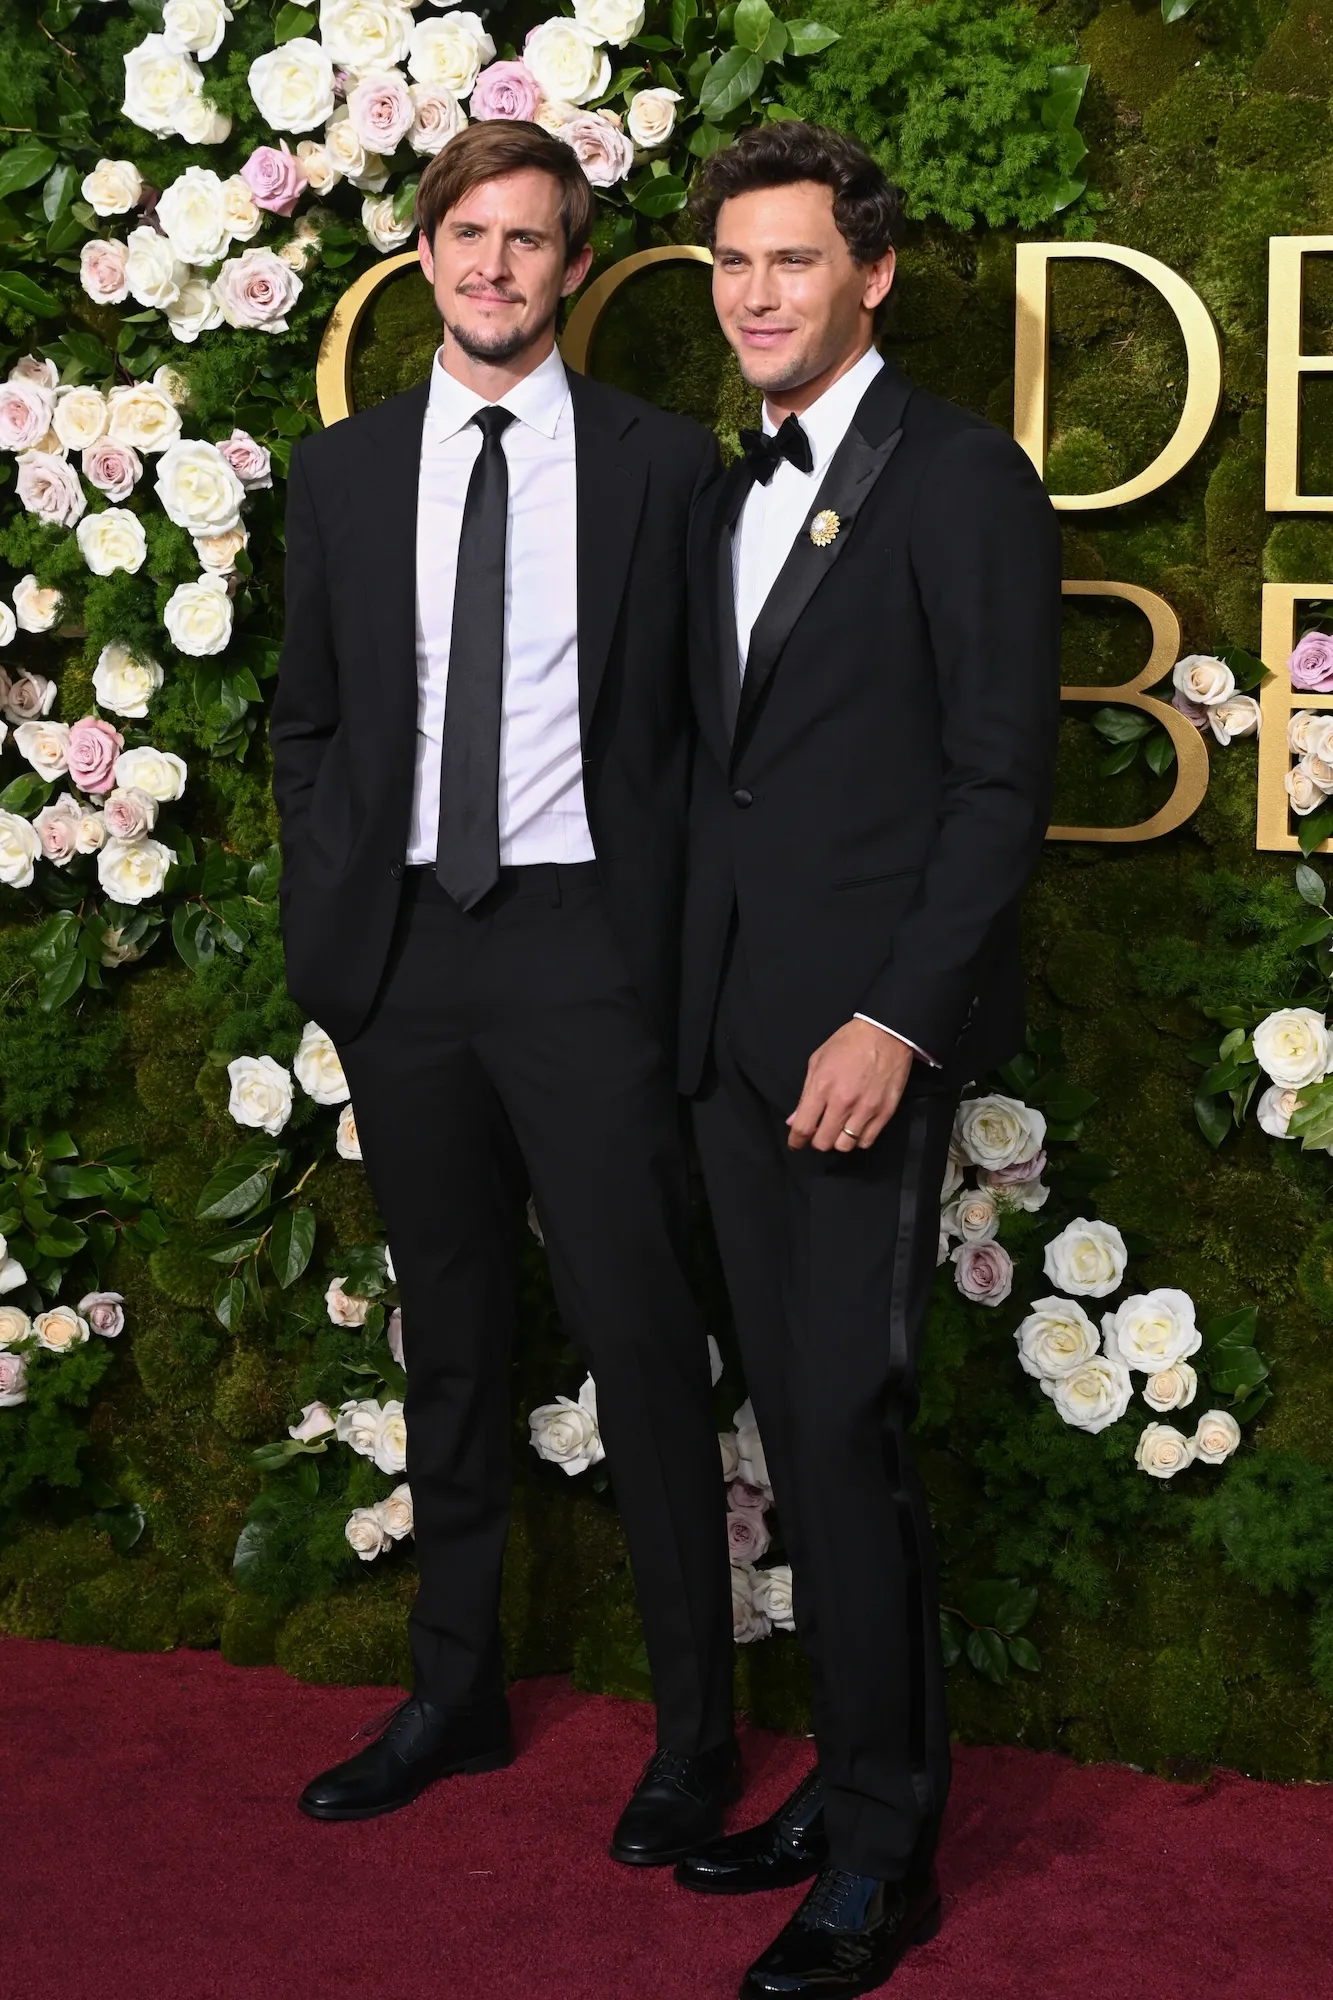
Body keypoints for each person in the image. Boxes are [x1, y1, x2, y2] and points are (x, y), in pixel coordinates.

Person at [269, 121, 738, 1864]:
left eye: (529, 239)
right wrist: (339, 933)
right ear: (423, 253)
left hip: (584, 949)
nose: (494, 266)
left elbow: (705, 735)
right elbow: (310, 719)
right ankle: (454, 1689)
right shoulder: (342, 473)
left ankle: (697, 1735)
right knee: (451, 1335)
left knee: (640, 1335)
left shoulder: (660, 467)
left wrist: (666, 956)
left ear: (574, 266)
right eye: (468, 233)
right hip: (406, 957)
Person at [673, 122, 1062, 1998]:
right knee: (794, 1422)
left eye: (795, 260)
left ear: (874, 274)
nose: (758, 294)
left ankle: (886, 1858)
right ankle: (843, 1780)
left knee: (846, 1426)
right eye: (734, 263)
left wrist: (897, 1021)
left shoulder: (963, 477)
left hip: (857, 1053)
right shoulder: (718, 490)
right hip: (727, 1044)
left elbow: (1000, 786)